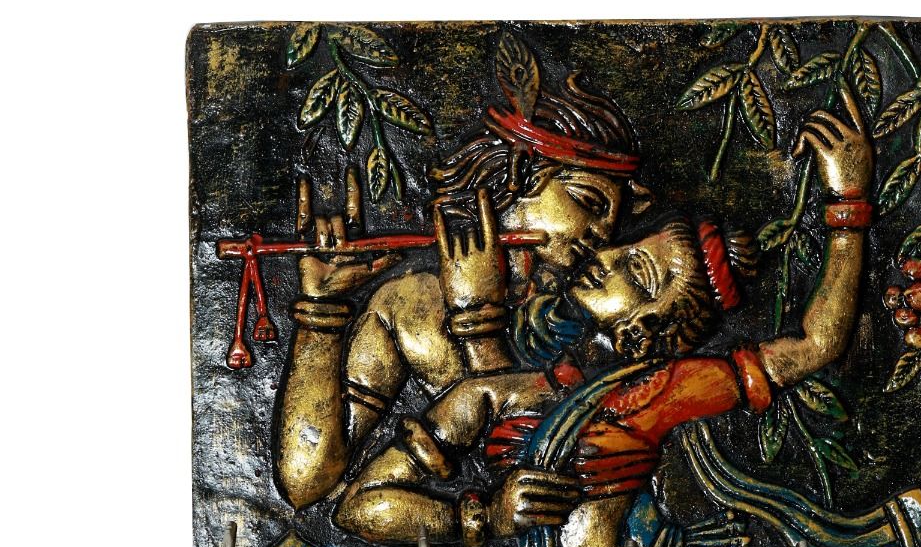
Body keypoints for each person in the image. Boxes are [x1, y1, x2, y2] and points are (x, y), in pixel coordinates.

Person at [330, 87, 879, 547]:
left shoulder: (663, 390)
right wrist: (481, 519)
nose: (604, 253)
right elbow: (358, 509)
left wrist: (848, 202)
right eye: (624, 249)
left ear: (644, 331)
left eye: (634, 272)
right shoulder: (504, 389)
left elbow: (817, 344)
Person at [272, 32, 649, 511]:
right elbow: (306, 483)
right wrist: (321, 312)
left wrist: (478, 321)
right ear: (523, 174)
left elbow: (539, 456)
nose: (601, 234)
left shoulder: (598, 307)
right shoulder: (412, 303)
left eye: (612, 221)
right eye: (588, 202)